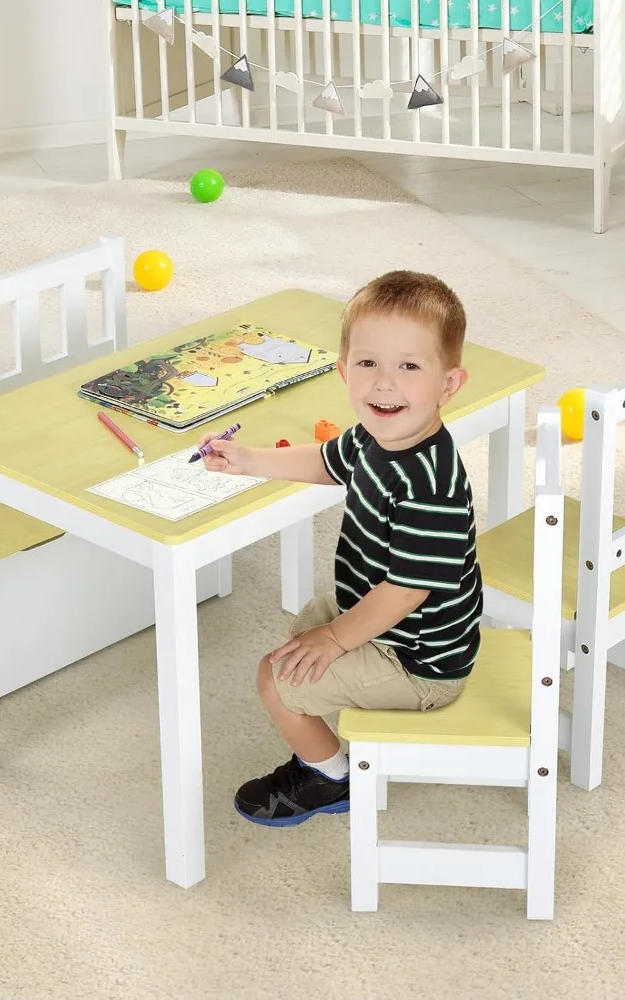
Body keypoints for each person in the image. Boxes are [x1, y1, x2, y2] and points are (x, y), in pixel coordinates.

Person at [198, 270, 484, 826]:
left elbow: (404, 592)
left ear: (449, 385)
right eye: (369, 363)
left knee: (274, 679)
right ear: (343, 370)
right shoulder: (377, 435)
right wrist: (250, 460)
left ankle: (331, 778)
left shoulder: (432, 484)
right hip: (377, 613)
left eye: (409, 366)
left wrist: (334, 639)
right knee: (300, 634)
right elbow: (327, 461)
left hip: (421, 661)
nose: (383, 384)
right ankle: (328, 716)